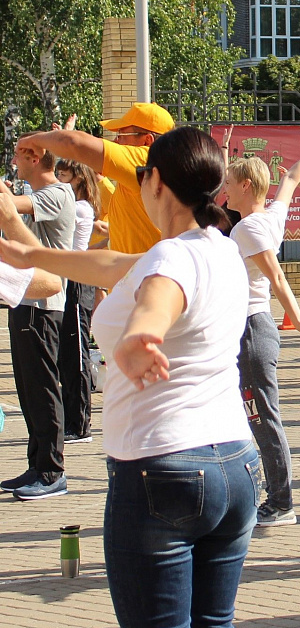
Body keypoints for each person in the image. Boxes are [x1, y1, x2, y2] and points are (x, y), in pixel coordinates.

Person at [0, 126, 260, 628]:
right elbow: (114, 264)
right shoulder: (218, 247)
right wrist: (30, 254)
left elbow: (157, 298)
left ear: (155, 181)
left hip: (163, 470)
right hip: (235, 463)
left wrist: (141, 336)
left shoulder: (171, 258)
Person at [224, 136, 300, 528]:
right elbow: (294, 176)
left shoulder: (250, 228)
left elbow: (277, 275)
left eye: (230, 183)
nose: (225, 190)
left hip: (253, 330)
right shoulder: (268, 216)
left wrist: (299, 319)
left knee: (263, 418)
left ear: (246, 186)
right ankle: (265, 492)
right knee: (253, 416)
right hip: (248, 329)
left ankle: (282, 503)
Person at [2, 134, 77, 500]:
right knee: (28, 389)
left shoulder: (59, 192)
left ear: (34, 157)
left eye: (20, 153)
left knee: (44, 387)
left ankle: (51, 471)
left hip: (44, 306)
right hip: (23, 298)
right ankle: (37, 463)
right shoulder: (34, 191)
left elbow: (12, 207)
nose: (15, 160)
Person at [17, 103, 174, 254]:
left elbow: (74, 143)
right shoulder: (148, 168)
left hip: (145, 276)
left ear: (147, 141)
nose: (116, 141)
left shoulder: (144, 160)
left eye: (121, 135)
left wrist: (30, 141)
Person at [54, 158, 100, 445]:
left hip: (76, 282)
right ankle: (71, 418)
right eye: (57, 175)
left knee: (77, 353)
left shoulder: (80, 208)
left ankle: (81, 423)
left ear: (80, 178)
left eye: (65, 176)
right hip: (65, 278)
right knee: (66, 355)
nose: (60, 181)